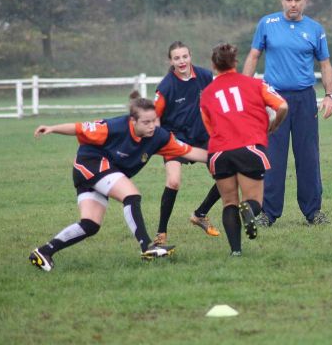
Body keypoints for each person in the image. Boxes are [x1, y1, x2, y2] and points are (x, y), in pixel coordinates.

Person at [28, 92, 207, 272]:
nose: (152, 126)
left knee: (90, 225)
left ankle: (43, 252)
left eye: (154, 120)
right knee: (131, 195)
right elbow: (79, 128)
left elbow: (189, 151)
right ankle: (147, 247)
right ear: (133, 121)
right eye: (146, 122)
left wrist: (219, 157)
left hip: (101, 173)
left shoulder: (160, 136)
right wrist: (52, 128)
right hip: (90, 163)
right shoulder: (114, 127)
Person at [242, 0, 332, 227]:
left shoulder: (315, 29)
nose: (293, 4)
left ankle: (313, 212)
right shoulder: (267, 24)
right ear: (282, 1)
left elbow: (325, 64)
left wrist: (329, 96)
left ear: (304, 1)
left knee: (308, 156)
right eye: (288, 0)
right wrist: (245, 89)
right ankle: (268, 214)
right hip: (274, 99)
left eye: (297, 0)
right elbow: (253, 56)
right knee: (273, 156)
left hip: (304, 99)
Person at [200, 43, 288, 255]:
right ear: (235, 63)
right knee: (254, 201)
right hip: (248, 148)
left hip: (219, 152)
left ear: (214, 65)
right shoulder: (255, 84)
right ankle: (249, 209)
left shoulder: (207, 93)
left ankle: (236, 252)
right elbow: (282, 106)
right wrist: (274, 124)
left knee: (229, 202)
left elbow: (209, 127)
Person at [153, 41, 221, 245]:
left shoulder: (205, 76)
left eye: (184, 56)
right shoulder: (166, 86)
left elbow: (215, 102)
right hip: (174, 138)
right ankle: (161, 235)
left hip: (202, 137)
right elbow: (155, 119)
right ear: (170, 61)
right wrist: (160, 141)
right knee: (173, 181)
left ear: (190, 56)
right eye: (176, 58)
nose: (181, 61)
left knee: (225, 176)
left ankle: (200, 214)